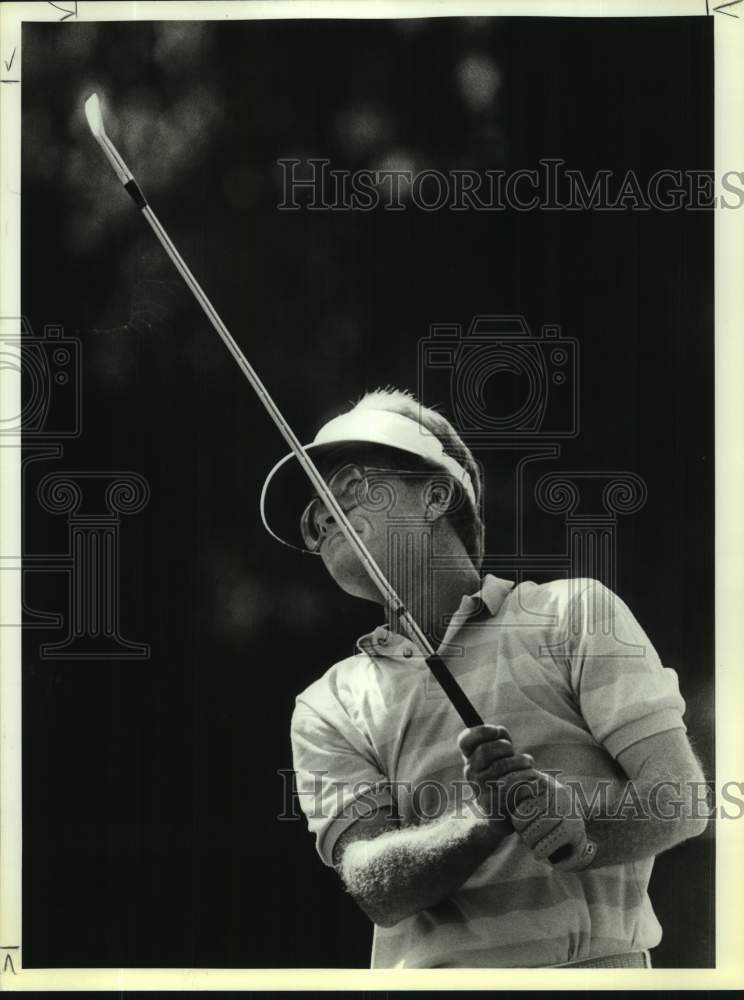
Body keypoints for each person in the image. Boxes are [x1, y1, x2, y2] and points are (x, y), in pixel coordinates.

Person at [260, 388, 708, 969]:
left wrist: (581, 824)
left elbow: (680, 799)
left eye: (348, 485)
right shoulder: (327, 703)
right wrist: (481, 820)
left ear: (436, 494)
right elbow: (376, 888)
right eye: (312, 520)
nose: (324, 515)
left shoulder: (575, 614)